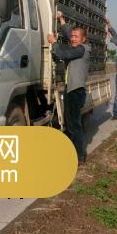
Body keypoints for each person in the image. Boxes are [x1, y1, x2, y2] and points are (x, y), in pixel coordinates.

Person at [48, 11, 90, 164]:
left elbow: (63, 54)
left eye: (76, 37)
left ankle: (79, 155)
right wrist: (61, 18)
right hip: (71, 89)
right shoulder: (76, 46)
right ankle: (72, 152)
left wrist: (54, 42)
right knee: (70, 123)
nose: (73, 38)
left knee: (74, 125)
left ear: (83, 39)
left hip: (76, 91)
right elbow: (68, 33)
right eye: (72, 36)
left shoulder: (81, 49)